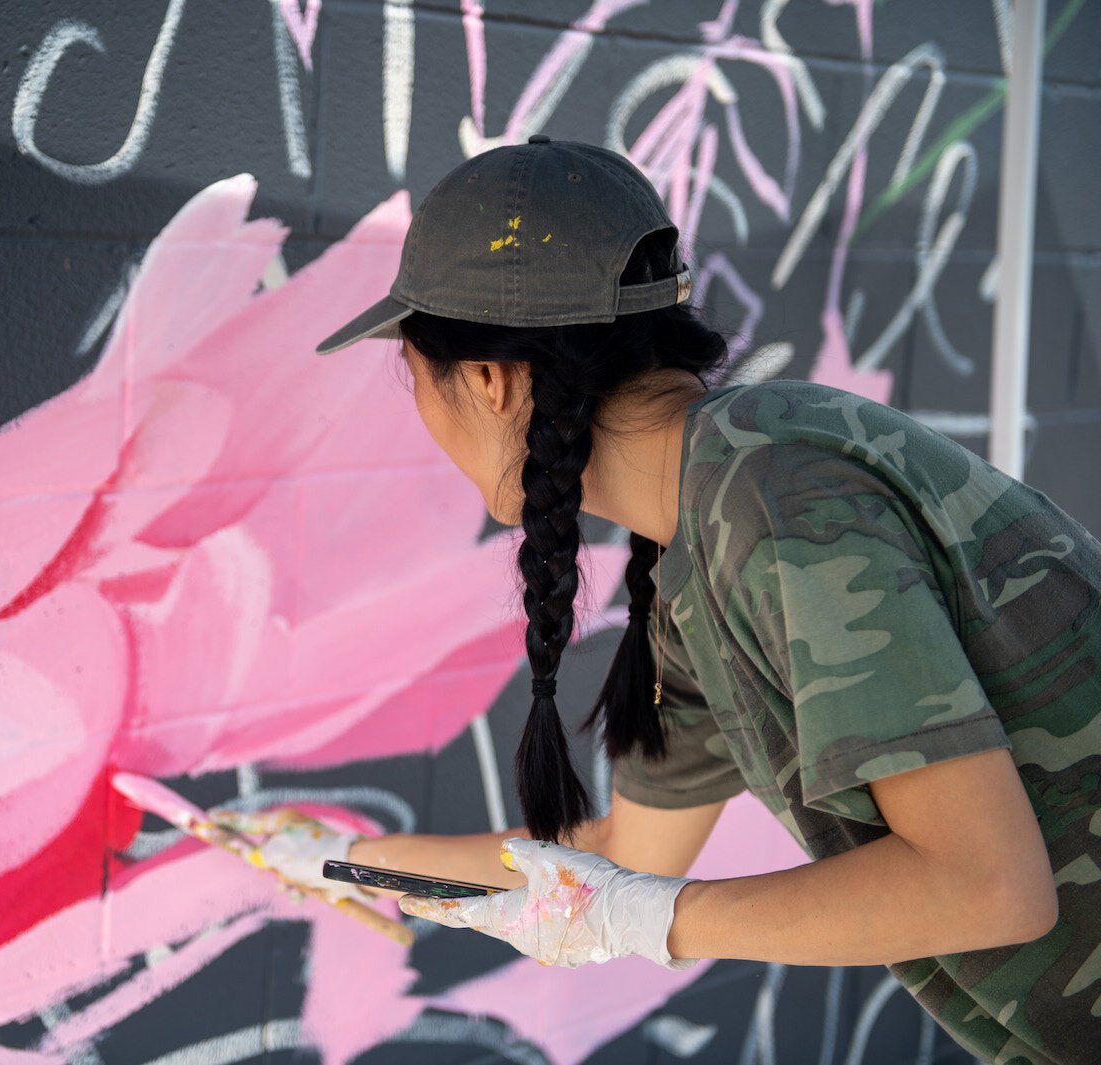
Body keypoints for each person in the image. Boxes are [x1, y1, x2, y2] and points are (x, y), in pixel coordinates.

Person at [219, 139, 1101, 1065]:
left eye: (416, 372)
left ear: (489, 378)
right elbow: (623, 857)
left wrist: (658, 922)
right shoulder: (706, 532)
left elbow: (987, 886)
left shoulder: (776, 500)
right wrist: (345, 858)